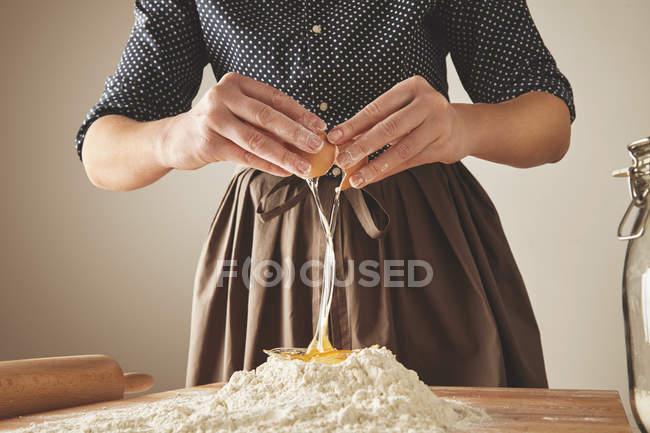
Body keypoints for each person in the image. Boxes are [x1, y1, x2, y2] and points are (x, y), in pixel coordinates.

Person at [77, 0, 574, 388]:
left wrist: (461, 127)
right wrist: (177, 138)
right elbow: (100, 150)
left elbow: (549, 122)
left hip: (426, 239)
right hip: (267, 256)